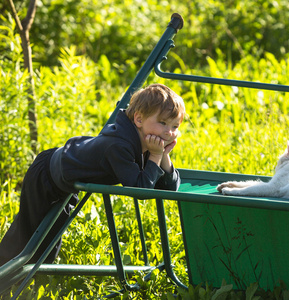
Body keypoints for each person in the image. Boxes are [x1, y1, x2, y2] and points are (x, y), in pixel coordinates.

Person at [0, 83, 185, 266]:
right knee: (24, 238)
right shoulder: (120, 146)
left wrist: (164, 156)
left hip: (65, 182)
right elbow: (140, 190)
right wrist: (155, 155)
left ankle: (28, 285)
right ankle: (6, 279)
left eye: (175, 126)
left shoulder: (147, 141)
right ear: (138, 119)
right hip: (46, 176)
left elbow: (169, 187)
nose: (169, 132)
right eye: (162, 123)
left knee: (49, 244)